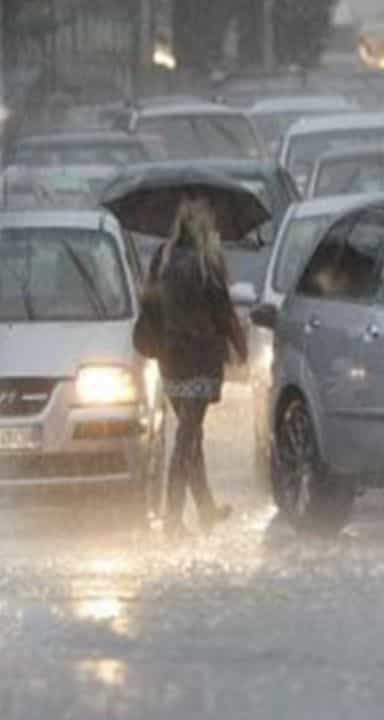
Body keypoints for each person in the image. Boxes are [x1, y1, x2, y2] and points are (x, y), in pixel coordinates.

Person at [146, 196, 246, 538]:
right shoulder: (207, 262)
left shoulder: (163, 257)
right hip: (200, 357)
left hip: (171, 359)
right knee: (187, 436)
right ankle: (173, 519)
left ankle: (205, 509)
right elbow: (222, 312)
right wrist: (239, 344)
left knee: (192, 435)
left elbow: (150, 305)